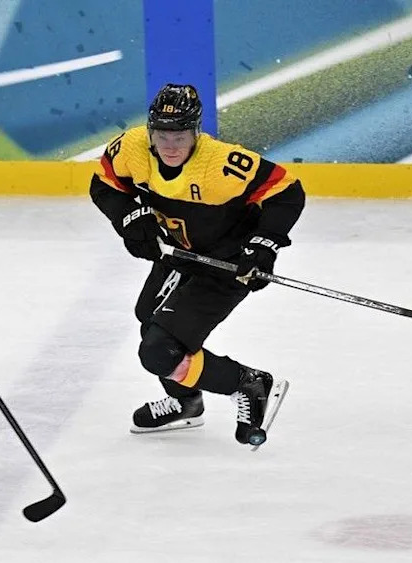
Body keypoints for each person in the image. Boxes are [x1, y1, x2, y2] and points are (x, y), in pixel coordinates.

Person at [89, 84, 304, 447]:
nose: (171, 146)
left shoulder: (221, 164)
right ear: (150, 131)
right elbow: (105, 185)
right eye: (162, 135)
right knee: (150, 319)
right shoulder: (132, 148)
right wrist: (130, 218)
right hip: (180, 255)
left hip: (228, 265)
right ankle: (186, 403)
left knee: (159, 352)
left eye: (181, 136)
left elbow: (286, 191)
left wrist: (264, 244)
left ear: (196, 132)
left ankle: (247, 383)